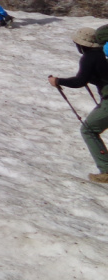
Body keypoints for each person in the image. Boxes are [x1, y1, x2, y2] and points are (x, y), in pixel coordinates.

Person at [48, 28, 108, 183]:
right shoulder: (103, 54)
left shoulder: (90, 57)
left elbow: (79, 81)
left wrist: (58, 81)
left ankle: (106, 171)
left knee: (88, 130)